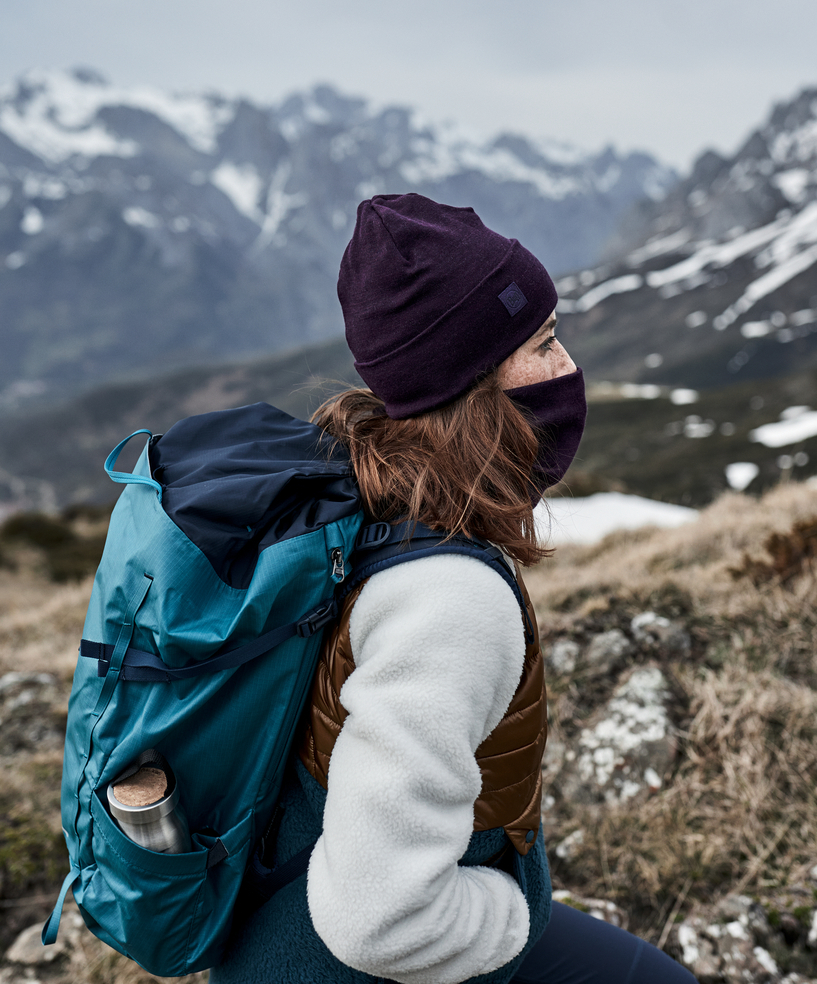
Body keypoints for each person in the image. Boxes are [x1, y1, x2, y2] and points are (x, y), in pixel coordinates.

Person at [211, 194, 694, 984]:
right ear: (471, 385)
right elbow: (380, 922)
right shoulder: (448, 598)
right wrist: (515, 913)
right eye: (542, 344)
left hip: (285, 920)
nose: (568, 366)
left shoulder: (362, 496)